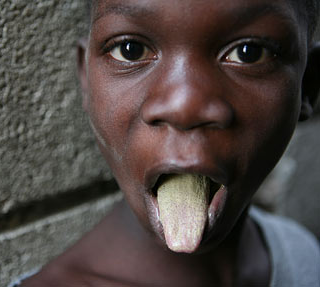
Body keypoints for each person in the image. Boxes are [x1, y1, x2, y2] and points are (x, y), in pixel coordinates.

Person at [17, 0, 320, 286]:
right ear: (86, 79)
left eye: (248, 53)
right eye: (130, 50)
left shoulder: (302, 252)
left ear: (309, 85)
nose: (183, 106)